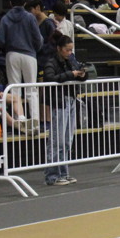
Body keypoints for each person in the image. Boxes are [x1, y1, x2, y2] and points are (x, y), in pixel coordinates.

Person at [42, 33, 86, 186]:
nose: (69, 52)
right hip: (59, 102)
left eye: (71, 50)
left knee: (67, 140)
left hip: (71, 100)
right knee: (57, 140)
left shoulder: (71, 60)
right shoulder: (51, 62)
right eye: (67, 50)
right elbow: (50, 78)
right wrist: (70, 74)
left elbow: (80, 75)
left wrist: (82, 74)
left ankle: (64, 173)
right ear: (59, 48)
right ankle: (52, 176)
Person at [0, 0, 44, 120]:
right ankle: (35, 120)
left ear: (10, 3)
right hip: (29, 55)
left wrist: (6, 46)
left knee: (14, 88)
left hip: (12, 54)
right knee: (31, 89)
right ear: (25, 3)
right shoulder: (30, 17)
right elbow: (38, 38)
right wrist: (35, 48)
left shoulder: (5, 18)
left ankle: (18, 119)